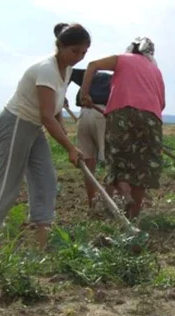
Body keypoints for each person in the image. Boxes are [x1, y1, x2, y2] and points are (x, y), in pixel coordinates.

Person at [0, 23, 90, 248]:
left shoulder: (65, 69)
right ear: (60, 46)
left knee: (46, 179)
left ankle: (42, 244)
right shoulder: (47, 69)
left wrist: (61, 123)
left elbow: (55, 108)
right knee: (9, 181)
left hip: (33, 126)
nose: (78, 57)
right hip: (16, 123)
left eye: (84, 52)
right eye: (74, 51)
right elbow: (46, 115)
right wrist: (70, 147)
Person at [80, 37, 165, 219]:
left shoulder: (123, 59)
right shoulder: (156, 71)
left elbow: (92, 65)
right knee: (143, 167)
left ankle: (123, 189)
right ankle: (133, 217)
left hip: (122, 113)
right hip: (152, 117)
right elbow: (162, 103)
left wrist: (85, 93)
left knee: (118, 159)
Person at [67, 68, 112, 210]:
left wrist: (61, 95)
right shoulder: (117, 79)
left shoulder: (88, 74)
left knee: (88, 162)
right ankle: (109, 206)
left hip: (84, 114)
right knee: (112, 162)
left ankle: (92, 203)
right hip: (102, 114)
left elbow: (69, 72)